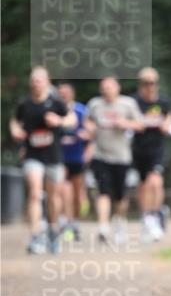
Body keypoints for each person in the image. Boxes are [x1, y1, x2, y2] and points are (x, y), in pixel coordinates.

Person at [10, 67, 75, 254]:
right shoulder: (25, 104)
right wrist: (16, 131)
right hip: (33, 155)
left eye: (40, 80)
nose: (36, 83)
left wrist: (59, 121)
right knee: (35, 193)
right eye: (34, 80)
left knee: (54, 197)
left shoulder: (56, 102)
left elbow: (72, 119)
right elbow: (15, 121)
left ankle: (53, 231)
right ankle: (36, 235)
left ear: (47, 82)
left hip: (53, 156)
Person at [86, 77, 144, 245]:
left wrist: (124, 123)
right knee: (103, 190)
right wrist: (90, 128)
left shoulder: (128, 104)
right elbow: (88, 121)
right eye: (103, 87)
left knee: (120, 195)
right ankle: (103, 227)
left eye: (110, 87)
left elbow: (140, 125)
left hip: (121, 156)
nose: (106, 90)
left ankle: (119, 221)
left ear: (117, 88)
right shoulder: (95, 104)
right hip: (100, 154)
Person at [131, 67, 171, 243]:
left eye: (154, 83)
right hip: (138, 149)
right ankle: (146, 218)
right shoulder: (133, 102)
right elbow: (129, 120)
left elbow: (169, 119)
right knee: (142, 186)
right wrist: (136, 124)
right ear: (140, 84)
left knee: (155, 182)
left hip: (157, 148)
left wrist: (167, 124)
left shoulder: (163, 101)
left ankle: (155, 216)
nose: (151, 86)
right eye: (147, 83)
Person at [56, 81, 89, 241]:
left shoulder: (81, 110)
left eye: (66, 93)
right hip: (59, 157)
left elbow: (91, 133)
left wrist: (87, 148)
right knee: (62, 190)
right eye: (60, 93)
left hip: (77, 157)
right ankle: (63, 221)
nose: (63, 95)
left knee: (77, 193)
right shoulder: (54, 111)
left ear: (72, 94)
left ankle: (74, 222)